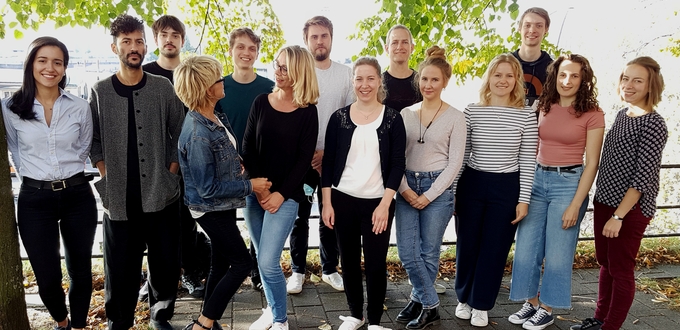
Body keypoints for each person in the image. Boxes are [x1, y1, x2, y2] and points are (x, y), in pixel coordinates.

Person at [89, 14, 185, 330]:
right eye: (127, 41)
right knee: (119, 267)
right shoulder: (100, 91)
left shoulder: (162, 88)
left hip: (161, 193)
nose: (134, 47)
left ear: (145, 45)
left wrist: (171, 172)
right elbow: (94, 141)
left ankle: (160, 316)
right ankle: (119, 320)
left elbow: (179, 133)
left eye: (139, 41)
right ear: (115, 46)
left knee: (165, 262)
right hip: (118, 197)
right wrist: (105, 176)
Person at [2, 36, 96, 330]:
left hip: (77, 195)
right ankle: (62, 321)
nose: (50, 68)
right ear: (31, 64)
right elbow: (16, 149)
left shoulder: (80, 107)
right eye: (42, 60)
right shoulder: (10, 108)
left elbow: (83, 149)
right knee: (46, 275)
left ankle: (79, 326)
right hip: (34, 199)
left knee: (80, 272)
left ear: (65, 68)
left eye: (58, 62)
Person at [174, 55, 272, 330]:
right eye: (218, 77)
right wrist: (250, 185)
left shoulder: (216, 116)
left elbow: (224, 158)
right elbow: (207, 188)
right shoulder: (197, 133)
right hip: (210, 209)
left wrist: (237, 164)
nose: (223, 80)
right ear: (206, 87)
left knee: (219, 265)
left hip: (223, 206)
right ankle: (203, 324)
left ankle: (210, 321)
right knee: (241, 264)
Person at [570, 56, 668, 330]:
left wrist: (619, 216)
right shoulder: (623, 114)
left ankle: (610, 326)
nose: (629, 84)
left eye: (638, 80)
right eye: (625, 78)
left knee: (621, 269)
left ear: (651, 86)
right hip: (605, 202)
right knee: (606, 263)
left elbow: (642, 177)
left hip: (628, 210)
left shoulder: (653, 123)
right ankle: (600, 319)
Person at [508, 54, 604, 330]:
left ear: (583, 79)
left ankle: (548, 308)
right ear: (555, 76)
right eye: (563, 74)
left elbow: (592, 162)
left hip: (568, 183)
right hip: (537, 180)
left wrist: (576, 203)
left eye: (574, 75)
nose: (567, 80)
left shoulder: (593, 113)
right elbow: (529, 146)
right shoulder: (543, 105)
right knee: (526, 248)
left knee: (558, 252)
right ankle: (532, 302)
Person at [453, 53, 538, 328]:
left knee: (495, 247)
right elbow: (462, 155)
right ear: (489, 77)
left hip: (507, 186)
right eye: (497, 74)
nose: (502, 80)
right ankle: (463, 298)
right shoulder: (472, 111)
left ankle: (481, 304)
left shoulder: (527, 114)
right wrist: (454, 191)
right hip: (472, 183)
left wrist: (523, 199)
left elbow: (527, 160)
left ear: (517, 81)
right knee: (467, 244)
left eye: (509, 75)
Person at [321, 56, 406, 330]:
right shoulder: (339, 118)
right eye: (359, 78)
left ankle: (375, 321)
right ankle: (355, 315)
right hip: (343, 199)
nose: (364, 84)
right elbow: (329, 163)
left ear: (379, 80)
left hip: (377, 203)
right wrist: (326, 203)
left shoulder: (393, 119)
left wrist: (385, 204)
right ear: (353, 81)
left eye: (370, 78)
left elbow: (397, 164)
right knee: (348, 259)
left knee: (375, 263)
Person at [242, 45, 319, 330]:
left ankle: (280, 321)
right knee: (264, 262)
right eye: (276, 64)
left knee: (268, 260)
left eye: (285, 67)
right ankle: (272, 310)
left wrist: (280, 194)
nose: (277, 70)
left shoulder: (308, 112)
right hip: (256, 194)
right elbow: (247, 148)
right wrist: (261, 189)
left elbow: (303, 161)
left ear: (299, 72)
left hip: (287, 196)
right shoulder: (261, 101)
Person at [394, 46, 466, 330]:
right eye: (424, 79)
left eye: (435, 80)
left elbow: (455, 163)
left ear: (444, 82)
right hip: (406, 184)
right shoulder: (405, 113)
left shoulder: (456, 117)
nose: (428, 85)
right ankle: (430, 303)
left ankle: (419, 300)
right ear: (418, 80)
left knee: (428, 253)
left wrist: (429, 195)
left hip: (439, 188)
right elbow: (395, 157)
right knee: (407, 252)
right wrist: (405, 189)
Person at [141, 14, 208, 300]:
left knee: (187, 221)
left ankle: (191, 273)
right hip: (154, 163)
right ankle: (155, 280)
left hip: (190, 163)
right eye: (164, 35)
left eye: (175, 35)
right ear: (156, 40)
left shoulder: (192, 71)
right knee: (152, 225)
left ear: (182, 40)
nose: (169, 40)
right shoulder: (144, 74)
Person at [285, 15, 352, 295]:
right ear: (306, 40)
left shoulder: (346, 74)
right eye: (314, 37)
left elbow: (350, 119)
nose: (319, 41)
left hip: (333, 157)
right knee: (298, 216)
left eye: (324, 36)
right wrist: (307, 152)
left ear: (331, 38)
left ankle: (329, 268)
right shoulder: (298, 71)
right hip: (301, 158)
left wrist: (327, 152)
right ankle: (297, 270)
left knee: (330, 214)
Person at [215, 27, 275, 291]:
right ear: (231, 51)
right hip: (225, 169)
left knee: (259, 224)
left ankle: (260, 273)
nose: (246, 53)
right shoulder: (219, 87)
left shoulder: (268, 87)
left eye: (252, 48)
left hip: (259, 167)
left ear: (257, 53)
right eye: (241, 47)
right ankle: (225, 274)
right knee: (224, 225)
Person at [511, 7, 553, 107]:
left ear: (546, 29)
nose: (532, 30)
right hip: (507, 121)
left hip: (540, 122)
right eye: (527, 25)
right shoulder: (504, 64)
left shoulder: (553, 68)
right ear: (519, 28)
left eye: (538, 26)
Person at [382, 25, 422, 112]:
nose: (399, 47)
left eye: (404, 42)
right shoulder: (378, 83)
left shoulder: (422, 82)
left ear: (412, 47)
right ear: (387, 48)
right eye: (394, 42)